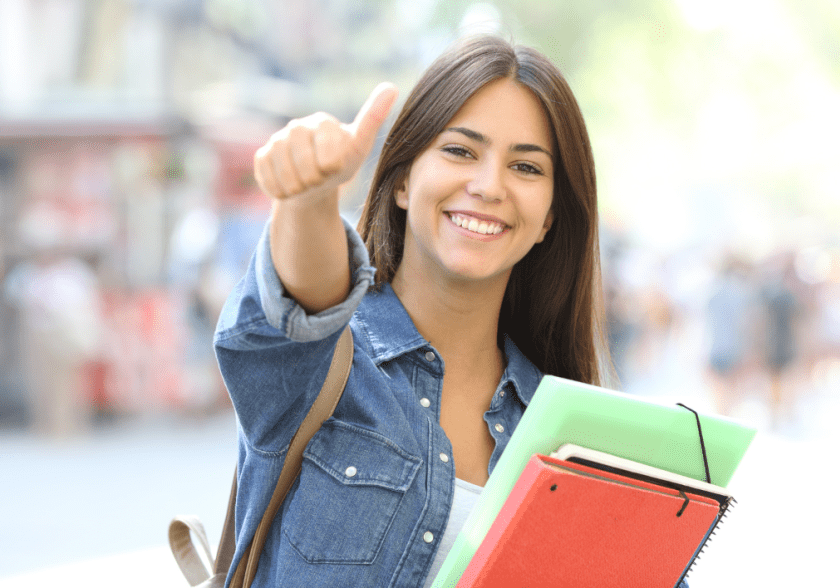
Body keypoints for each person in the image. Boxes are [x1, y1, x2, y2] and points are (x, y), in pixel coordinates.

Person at [214, 35, 630, 587]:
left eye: (526, 168)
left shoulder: (570, 432)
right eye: (460, 151)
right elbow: (305, 300)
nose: (488, 186)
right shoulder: (323, 368)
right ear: (404, 178)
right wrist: (309, 198)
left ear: (550, 217)